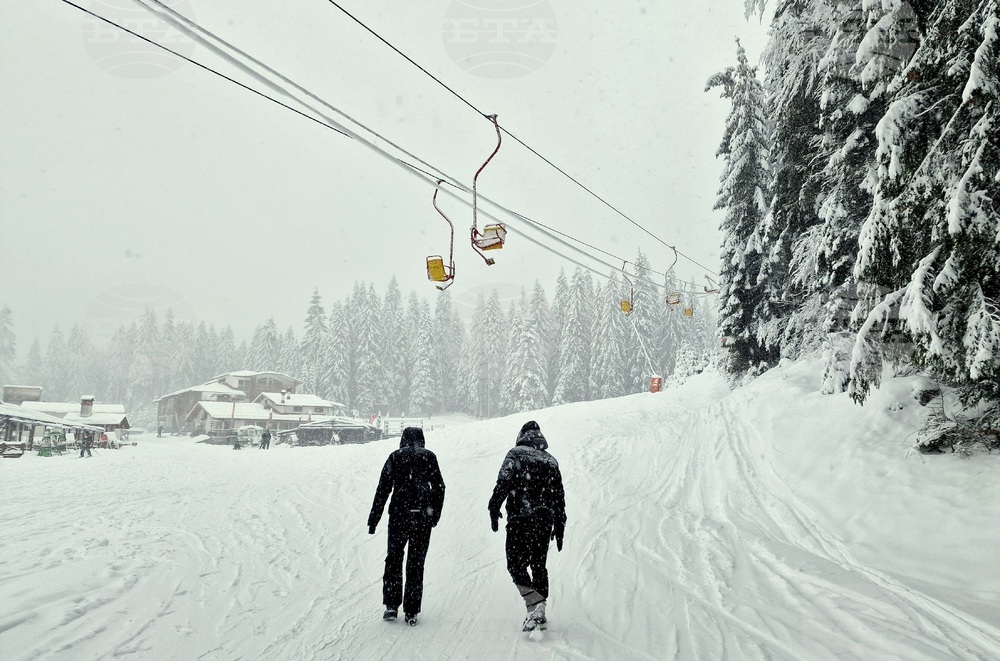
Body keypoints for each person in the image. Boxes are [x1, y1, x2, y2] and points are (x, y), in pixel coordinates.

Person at [488, 420, 566, 632]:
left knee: (515, 564)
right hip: (544, 520)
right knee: (538, 564)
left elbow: (503, 482)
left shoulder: (515, 454)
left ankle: (534, 603)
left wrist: (494, 508)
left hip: (520, 519)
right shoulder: (551, 461)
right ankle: (538, 605)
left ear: (522, 435)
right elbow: (559, 498)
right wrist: (560, 525)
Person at [367, 427, 445, 626]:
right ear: (422, 440)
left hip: (398, 516)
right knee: (416, 563)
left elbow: (383, 489)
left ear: (403, 440)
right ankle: (411, 610)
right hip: (422, 517)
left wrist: (374, 518)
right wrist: (434, 514)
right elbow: (439, 487)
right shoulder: (429, 457)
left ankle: (391, 606)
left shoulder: (395, 456)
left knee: (393, 558)